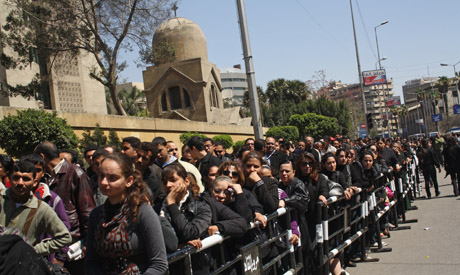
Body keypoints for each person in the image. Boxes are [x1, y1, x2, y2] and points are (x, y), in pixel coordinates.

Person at [85, 153, 168, 274]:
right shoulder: (96, 215)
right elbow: (91, 262)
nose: (103, 182)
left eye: (112, 178)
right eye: (101, 176)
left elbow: (159, 263)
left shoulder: (143, 212)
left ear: (129, 181)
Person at [34, 141, 96, 274]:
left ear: (42, 156)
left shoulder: (75, 173)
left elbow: (87, 212)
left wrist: (87, 244)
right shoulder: (44, 178)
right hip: (51, 245)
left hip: (72, 245)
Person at [0, 160, 72, 256]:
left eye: (26, 179)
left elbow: (65, 237)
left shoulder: (41, 209)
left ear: (34, 182)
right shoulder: (1, 198)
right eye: (16, 178)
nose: (20, 183)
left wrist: (33, 250)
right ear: (10, 178)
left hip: (19, 266)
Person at [159, 163, 212, 274]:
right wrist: (181, 246)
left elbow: (190, 233)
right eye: (164, 182)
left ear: (186, 181)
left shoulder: (200, 207)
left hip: (195, 266)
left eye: (173, 180)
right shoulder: (157, 208)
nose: (168, 185)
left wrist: (172, 204)